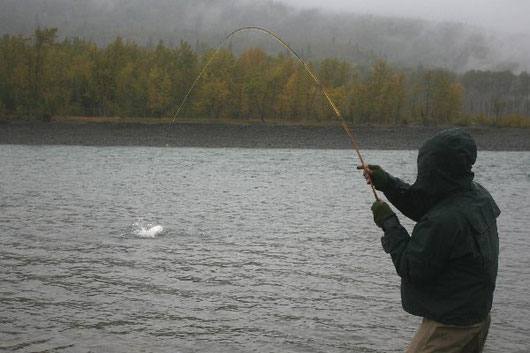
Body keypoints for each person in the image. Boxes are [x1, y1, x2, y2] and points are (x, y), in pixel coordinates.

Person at [358, 129, 500, 353]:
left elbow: (411, 267)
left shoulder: (446, 219)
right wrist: (388, 183)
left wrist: (389, 225)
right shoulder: (476, 196)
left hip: (450, 327)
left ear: (437, 169)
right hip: (476, 316)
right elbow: (429, 205)